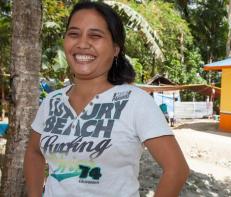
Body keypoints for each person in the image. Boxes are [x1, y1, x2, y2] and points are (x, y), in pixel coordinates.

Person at [24, 1, 189, 197]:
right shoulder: (52, 101)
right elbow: (34, 153)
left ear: (115, 49)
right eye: (74, 34)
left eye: (95, 35)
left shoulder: (135, 101)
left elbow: (176, 169)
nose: (82, 44)